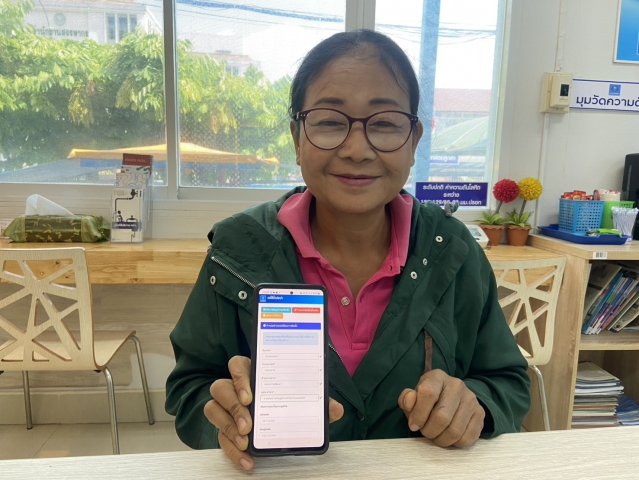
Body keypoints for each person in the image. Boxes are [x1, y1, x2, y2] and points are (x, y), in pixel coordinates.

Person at [165, 29, 531, 471]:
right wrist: (225, 418)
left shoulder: (452, 250)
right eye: (329, 122)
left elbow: (507, 381)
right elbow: (190, 388)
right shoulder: (238, 250)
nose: (357, 150)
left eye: (385, 123)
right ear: (297, 137)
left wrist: (475, 405)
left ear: (414, 141)